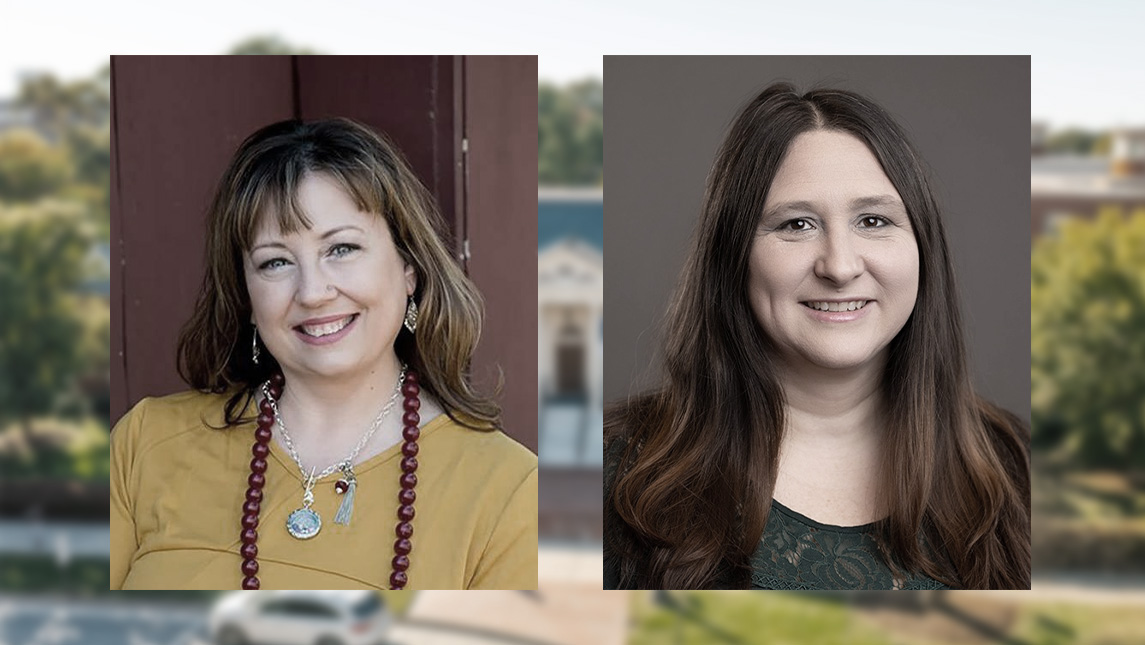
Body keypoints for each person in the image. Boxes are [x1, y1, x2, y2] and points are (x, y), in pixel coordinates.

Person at [604, 83, 1030, 590]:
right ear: (732, 255)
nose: (840, 266)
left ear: (923, 247)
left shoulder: (1020, 469)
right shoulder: (614, 476)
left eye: (873, 220)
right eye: (797, 224)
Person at [111, 118, 537, 590]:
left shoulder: (508, 490)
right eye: (275, 261)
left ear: (409, 268)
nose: (313, 292)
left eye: (342, 248)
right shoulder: (145, 444)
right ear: (247, 296)